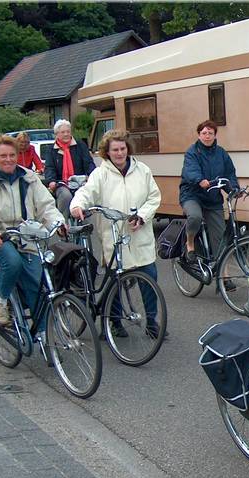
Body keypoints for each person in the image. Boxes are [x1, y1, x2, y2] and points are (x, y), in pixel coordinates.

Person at [69, 129, 163, 338]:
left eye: (122, 149)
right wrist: (77, 206)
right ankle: (115, 323)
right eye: (115, 150)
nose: (120, 153)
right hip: (113, 235)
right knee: (115, 281)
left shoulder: (142, 171)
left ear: (127, 149)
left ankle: (152, 321)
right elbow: (86, 193)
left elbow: (154, 197)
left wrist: (142, 216)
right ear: (107, 152)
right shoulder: (100, 174)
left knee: (149, 277)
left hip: (139, 233)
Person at [0, 135, 65, 328]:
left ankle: (44, 334)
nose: (8, 159)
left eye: (12, 155)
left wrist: (58, 222)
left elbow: (46, 205)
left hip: (27, 235)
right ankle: (1, 301)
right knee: (12, 262)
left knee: (39, 282)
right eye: (3, 156)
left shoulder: (29, 178)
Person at [179, 120, 238, 263]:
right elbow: (190, 170)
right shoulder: (192, 152)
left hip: (212, 197)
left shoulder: (221, 153)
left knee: (220, 238)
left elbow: (229, 173)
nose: (207, 136)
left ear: (215, 135)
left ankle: (224, 277)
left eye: (210, 133)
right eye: (204, 133)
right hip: (192, 195)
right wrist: (200, 180)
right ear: (199, 135)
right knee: (194, 217)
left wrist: (234, 188)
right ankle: (190, 243)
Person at [44, 119, 95, 217]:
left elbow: (89, 163)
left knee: (84, 197)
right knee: (65, 196)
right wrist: (51, 181)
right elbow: (49, 167)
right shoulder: (51, 150)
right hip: (62, 183)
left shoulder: (80, 145)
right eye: (63, 132)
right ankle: (64, 225)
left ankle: (86, 225)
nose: (66, 134)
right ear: (57, 134)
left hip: (80, 182)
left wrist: (92, 175)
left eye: (68, 131)